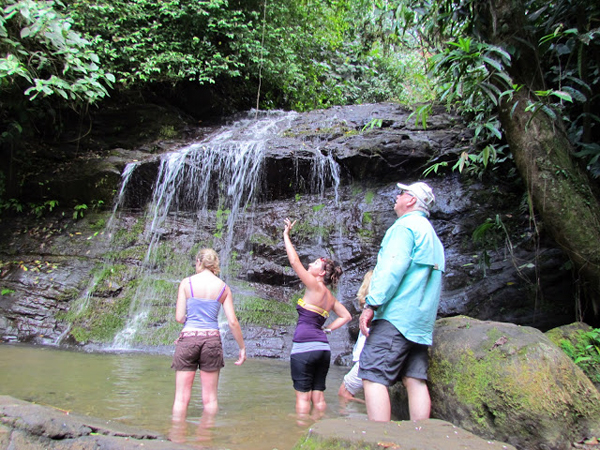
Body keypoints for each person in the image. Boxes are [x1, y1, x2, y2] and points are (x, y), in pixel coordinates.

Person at [358, 181, 445, 422]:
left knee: (373, 374)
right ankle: (420, 439)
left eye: (402, 193)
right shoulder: (432, 237)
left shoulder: (405, 227)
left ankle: (381, 442)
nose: (397, 196)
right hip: (420, 324)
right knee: (414, 379)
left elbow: (390, 269)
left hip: (396, 317)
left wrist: (371, 305)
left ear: (412, 200)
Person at [283, 218, 352, 417]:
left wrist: (286, 235)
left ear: (321, 273)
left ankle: (302, 436)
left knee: (303, 398)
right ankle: (320, 429)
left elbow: (294, 262)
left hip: (304, 347)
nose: (309, 265)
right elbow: (346, 316)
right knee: (318, 398)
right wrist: (328, 330)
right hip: (323, 349)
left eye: (314, 264)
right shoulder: (331, 298)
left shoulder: (314, 285)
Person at [171, 248, 246, 423]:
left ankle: (177, 437)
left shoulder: (186, 283)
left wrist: (192, 322)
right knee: (210, 399)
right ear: (214, 265)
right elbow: (233, 321)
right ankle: (205, 440)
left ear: (198, 262)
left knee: (181, 398)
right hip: (212, 340)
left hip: (188, 338)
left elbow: (179, 317)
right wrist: (241, 347)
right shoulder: (223, 287)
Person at [338, 270, 373, 403]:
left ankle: (351, 419)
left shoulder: (372, 308)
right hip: (369, 358)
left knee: (343, 392)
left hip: (366, 358)